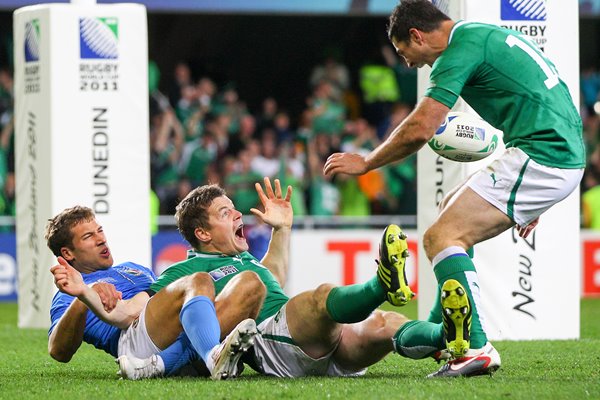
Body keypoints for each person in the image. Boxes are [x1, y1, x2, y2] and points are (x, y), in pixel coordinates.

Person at [324, 0, 585, 378]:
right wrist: (541, 192)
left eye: (404, 52)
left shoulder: (459, 49)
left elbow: (420, 128)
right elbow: (556, 95)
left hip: (544, 155)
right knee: (450, 212)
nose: (408, 63)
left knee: (440, 236)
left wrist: (366, 163)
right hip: (553, 153)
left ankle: (475, 346)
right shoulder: (487, 36)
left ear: (416, 34)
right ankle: (450, 335)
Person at [119, 177, 413, 378]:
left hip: (310, 340)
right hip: (273, 344)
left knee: (386, 323)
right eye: (225, 213)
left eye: (234, 208)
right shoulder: (185, 273)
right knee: (320, 296)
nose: (238, 215)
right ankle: (381, 283)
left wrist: (282, 229)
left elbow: (273, 275)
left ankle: (450, 343)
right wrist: (103, 303)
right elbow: (147, 309)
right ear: (203, 233)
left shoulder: (243, 259)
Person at [46, 206, 266, 380]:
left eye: (100, 231)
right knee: (198, 280)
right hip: (134, 339)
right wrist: (83, 297)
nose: (101, 239)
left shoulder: (133, 267)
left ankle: (170, 363)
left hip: (172, 329)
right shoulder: (71, 292)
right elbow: (59, 351)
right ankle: (209, 355)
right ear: (68, 253)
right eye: (88, 237)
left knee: (251, 284)